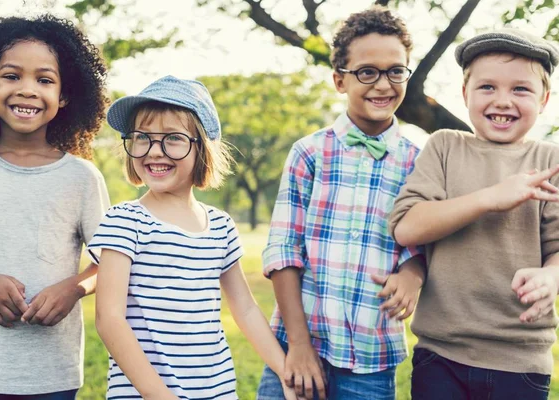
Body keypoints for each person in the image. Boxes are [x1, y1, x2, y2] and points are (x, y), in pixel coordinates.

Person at [88, 75, 297, 400]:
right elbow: (109, 319)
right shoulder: (125, 221)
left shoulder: (220, 226)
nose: (154, 152)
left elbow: (245, 309)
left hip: (215, 390)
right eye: (142, 137)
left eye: (172, 138)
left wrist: (286, 371)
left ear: (200, 147)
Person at [257, 7, 426, 400]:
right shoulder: (309, 154)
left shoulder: (418, 160)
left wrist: (413, 274)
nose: (383, 84)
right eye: (367, 72)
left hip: (371, 353)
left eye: (395, 71)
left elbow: (422, 243)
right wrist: (298, 345)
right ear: (339, 80)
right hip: (296, 342)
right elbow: (283, 252)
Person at [389, 29, 559, 400]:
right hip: (441, 354)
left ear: (544, 99)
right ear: (465, 93)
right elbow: (407, 228)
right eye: (487, 87)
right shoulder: (445, 146)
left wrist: (552, 277)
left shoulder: (550, 161)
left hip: (521, 360)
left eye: (520, 89)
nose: (503, 101)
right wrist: (491, 198)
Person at [0, 14, 110, 399]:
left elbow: (108, 262)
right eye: (11, 76)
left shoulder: (82, 177)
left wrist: (73, 288)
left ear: (64, 96)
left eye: (44, 79)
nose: (27, 89)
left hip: (50, 372)